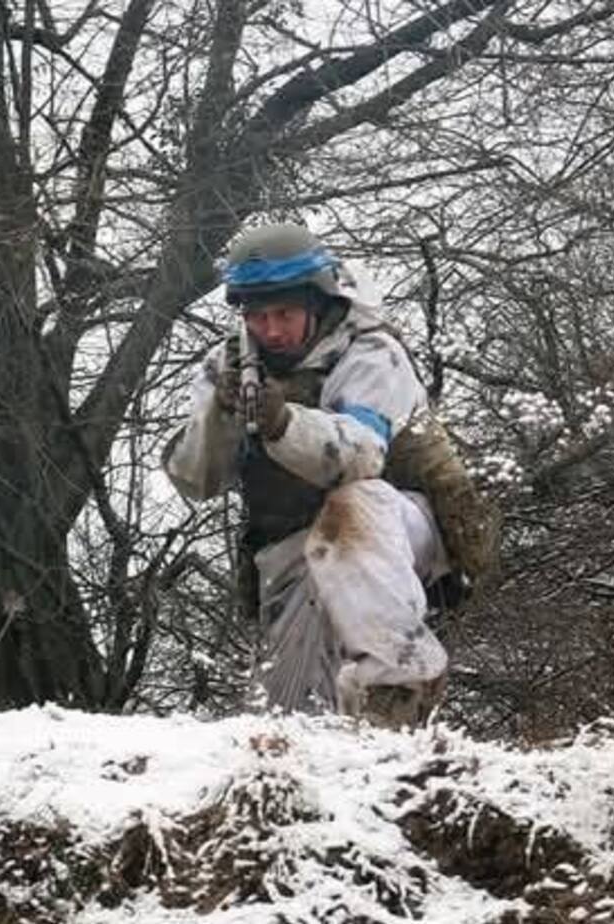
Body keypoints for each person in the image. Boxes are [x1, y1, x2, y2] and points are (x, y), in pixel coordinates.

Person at [163, 222, 464, 728]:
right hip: (293, 547)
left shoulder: (370, 351)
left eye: (284, 313)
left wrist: (284, 422)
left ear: (317, 301)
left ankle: (400, 681)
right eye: (258, 317)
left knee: (354, 507)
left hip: (401, 528)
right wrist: (218, 413)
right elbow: (195, 481)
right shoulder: (230, 363)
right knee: (291, 717)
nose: (272, 330)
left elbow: (364, 455)